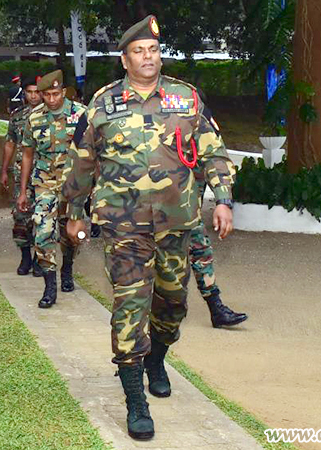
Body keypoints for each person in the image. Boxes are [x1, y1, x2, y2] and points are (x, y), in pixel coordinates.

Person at [63, 15, 236, 440]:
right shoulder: (103, 105)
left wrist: (223, 200)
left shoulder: (186, 98)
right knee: (129, 307)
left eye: (154, 50)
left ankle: (157, 356)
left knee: (173, 303)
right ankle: (135, 398)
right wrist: (74, 211)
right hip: (123, 228)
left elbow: (214, 151)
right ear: (124, 59)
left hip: (177, 223)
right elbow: (82, 162)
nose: (148, 57)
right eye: (139, 51)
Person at [18, 69, 87, 308]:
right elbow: (27, 154)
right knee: (43, 230)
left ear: (64, 92)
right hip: (45, 181)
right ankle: (50, 285)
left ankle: (67, 267)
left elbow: (92, 154)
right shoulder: (34, 117)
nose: (51, 99)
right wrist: (23, 190)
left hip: (73, 184)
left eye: (56, 94)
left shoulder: (81, 115)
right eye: (46, 94)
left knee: (71, 234)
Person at [190, 175, 248, 327]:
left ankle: (216, 308)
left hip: (185, 209)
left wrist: (223, 201)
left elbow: (214, 161)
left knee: (200, 249)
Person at [0, 76, 43, 277]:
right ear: (24, 93)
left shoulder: (49, 115)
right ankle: (25, 256)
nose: (33, 96)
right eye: (29, 92)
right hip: (22, 176)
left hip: (46, 175)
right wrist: (4, 170)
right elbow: (10, 143)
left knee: (44, 219)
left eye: (37, 91)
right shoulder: (17, 116)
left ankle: (39, 258)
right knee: (21, 217)